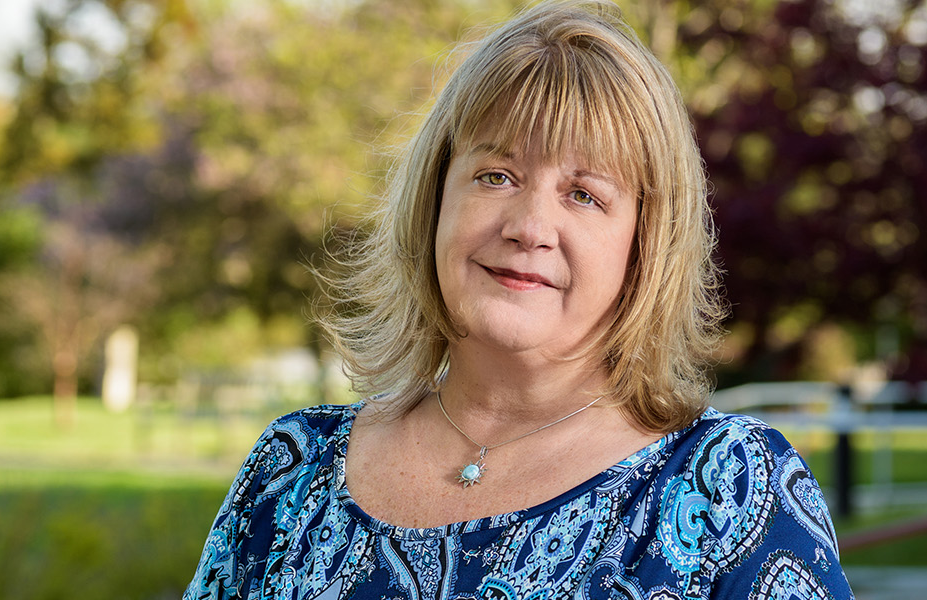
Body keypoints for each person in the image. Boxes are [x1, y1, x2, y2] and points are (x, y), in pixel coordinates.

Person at [184, 1, 854, 598]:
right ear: (436, 200)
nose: (529, 226)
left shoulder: (729, 490)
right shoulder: (293, 468)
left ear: (644, 243)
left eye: (585, 194)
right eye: (496, 174)